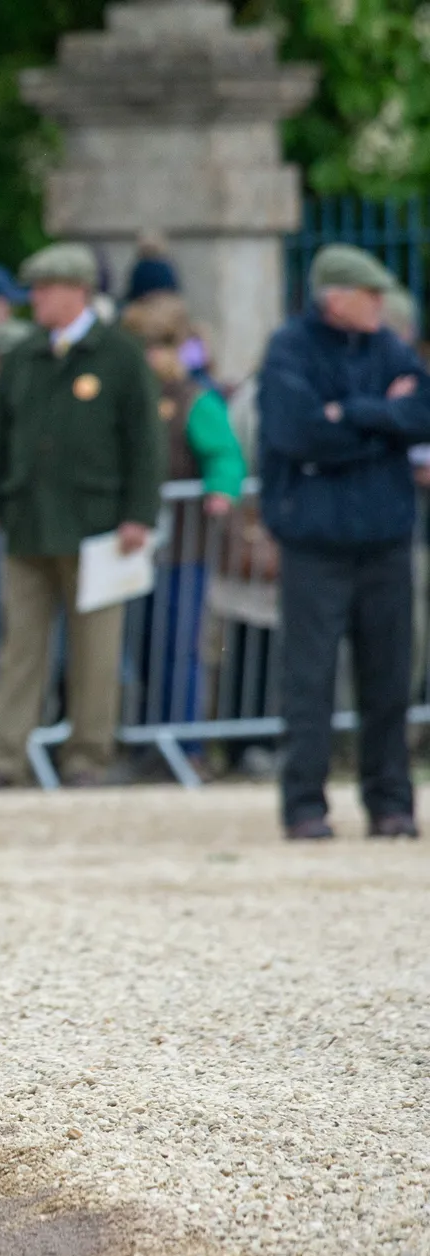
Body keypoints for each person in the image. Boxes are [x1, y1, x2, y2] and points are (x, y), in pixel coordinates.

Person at [0, 242, 163, 790]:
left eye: (47, 289)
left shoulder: (118, 355)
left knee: (96, 651)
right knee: (20, 649)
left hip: (98, 525)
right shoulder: (26, 355)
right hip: (29, 521)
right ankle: (5, 758)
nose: (37, 300)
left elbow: (146, 441)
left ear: (78, 290)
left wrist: (139, 513)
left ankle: (88, 756)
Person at [258, 245, 430, 840]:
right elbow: (297, 431)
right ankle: (305, 804)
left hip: (384, 539)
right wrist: (385, 418)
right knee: (309, 679)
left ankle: (390, 802)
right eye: (370, 295)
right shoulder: (289, 350)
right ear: (336, 297)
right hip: (315, 542)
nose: (380, 305)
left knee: (389, 678)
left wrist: (351, 414)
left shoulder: (388, 347)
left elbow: (423, 413)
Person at [119, 295, 244, 745]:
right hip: (130, 549)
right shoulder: (128, 396)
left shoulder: (195, 400)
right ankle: (146, 741)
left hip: (183, 547)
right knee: (140, 648)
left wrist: (220, 489)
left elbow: (225, 454)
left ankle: (184, 744)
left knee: (179, 646)